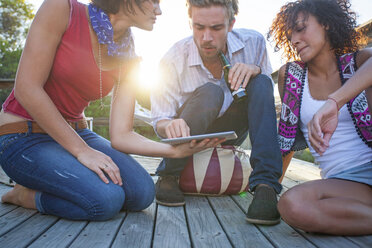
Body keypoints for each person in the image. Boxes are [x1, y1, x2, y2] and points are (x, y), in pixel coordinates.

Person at [0, 0, 223, 221]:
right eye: (153, 1)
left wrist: (173, 152)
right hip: (22, 135)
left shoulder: (128, 53)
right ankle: (24, 195)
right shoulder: (62, 9)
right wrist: (82, 151)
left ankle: (59, 181)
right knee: (105, 201)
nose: (159, 10)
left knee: (142, 193)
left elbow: (122, 134)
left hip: (75, 133)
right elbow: (26, 89)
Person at [151, 0, 283, 225]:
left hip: (231, 131)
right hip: (190, 132)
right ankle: (168, 174)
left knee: (261, 82)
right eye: (199, 27)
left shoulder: (254, 42)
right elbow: (159, 118)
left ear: (231, 24)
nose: (206, 38)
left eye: (216, 28)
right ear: (190, 23)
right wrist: (169, 124)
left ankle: (266, 186)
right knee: (211, 92)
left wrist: (256, 70)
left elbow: (264, 91)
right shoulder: (173, 58)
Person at [269, 0, 372, 235]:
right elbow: (287, 139)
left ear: (325, 23)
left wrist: (335, 102)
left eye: (301, 28)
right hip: (345, 184)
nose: (294, 40)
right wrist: (272, 186)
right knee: (291, 205)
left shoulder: (358, 62)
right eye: (290, 34)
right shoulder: (291, 77)